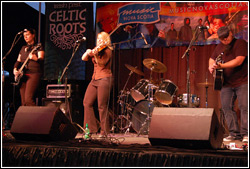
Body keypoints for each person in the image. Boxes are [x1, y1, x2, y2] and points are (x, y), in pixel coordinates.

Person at [208, 26, 248, 143]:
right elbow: (212, 58)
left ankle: (246, 134)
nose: (225, 41)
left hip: (242, 81)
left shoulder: (240, 43)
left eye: (226, 38)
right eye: (222, 39)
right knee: (226, 108)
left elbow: (239, 60)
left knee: (244, 107)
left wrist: (221, 66)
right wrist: (211, 66)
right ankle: (234, 134)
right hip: (226, 83)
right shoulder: (219, 46)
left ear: (231, 33)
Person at [82, 32, 113, 138]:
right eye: (98, 39)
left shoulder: (108, 51)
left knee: (102, 106)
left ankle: (104, 132)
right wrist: (87, 52)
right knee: (87, 102)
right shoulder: (96, 49)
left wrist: (94, 54)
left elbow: (101, 63)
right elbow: (83, 58)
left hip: (105, 79)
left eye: (101, 39)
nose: (99, 41)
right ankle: (90, 129)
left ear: (106, 41)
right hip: (94, 79)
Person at [13, 28, 44, 106]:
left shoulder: (38, 47)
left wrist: (35, 59)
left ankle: (36, 117)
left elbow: (42, 61)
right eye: (24, 35)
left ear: (33, 35)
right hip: (23, 75)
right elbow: (18, 61)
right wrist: (15, 69)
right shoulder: (23, 48)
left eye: (27, 35)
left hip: (34, 74)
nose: (25, 37)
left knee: (28, 99)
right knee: (23, 102)